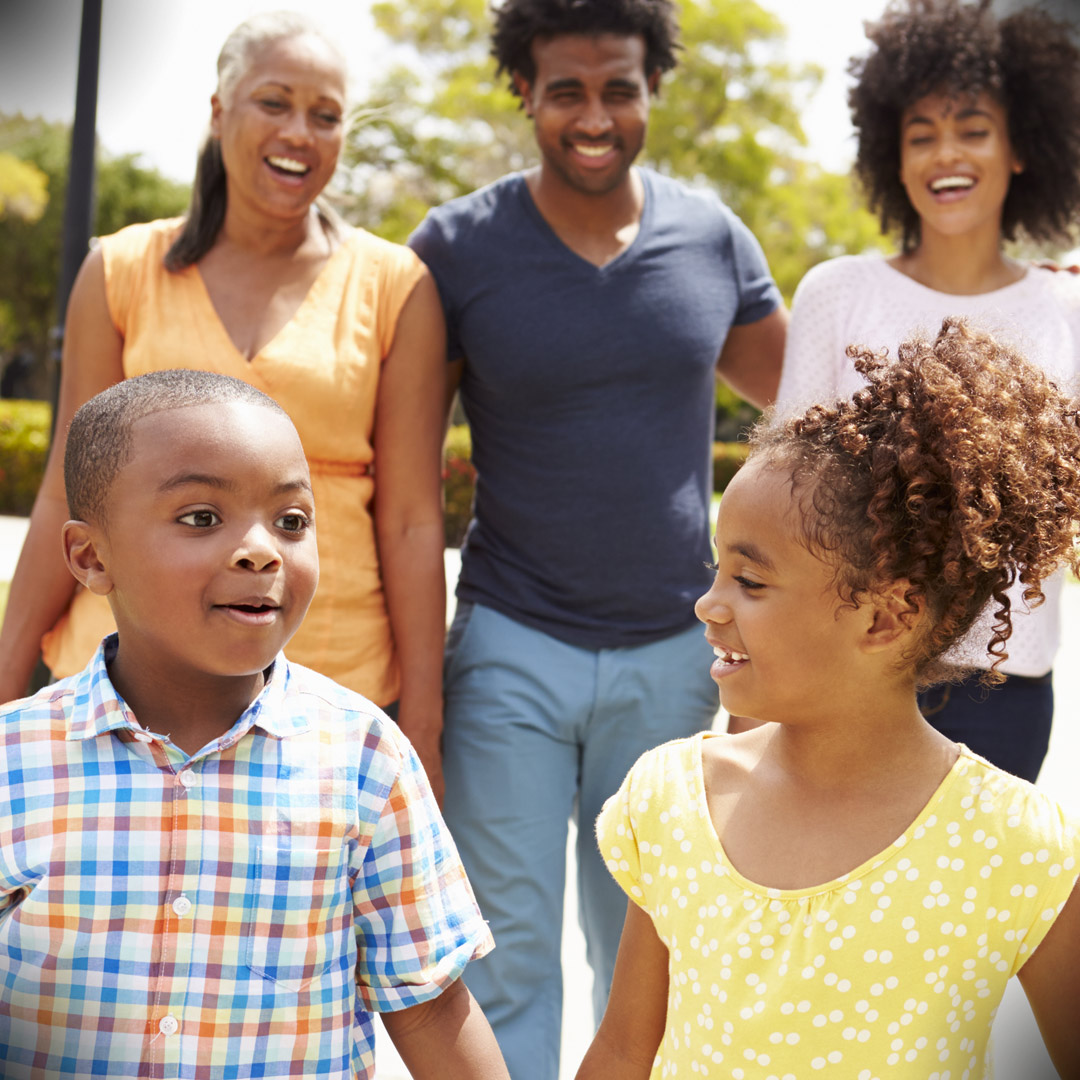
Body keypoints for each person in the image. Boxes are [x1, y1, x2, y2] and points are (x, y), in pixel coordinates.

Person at [407, 0, 787, 1073]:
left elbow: (819, 409)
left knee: (646, 952)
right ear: (524, 93)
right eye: (565, 89)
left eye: (617, 87)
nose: (593, 114)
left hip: (673, 651)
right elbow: (399, 475)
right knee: (507, 954)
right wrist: (420, 700)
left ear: (650, 90)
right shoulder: (455, 247)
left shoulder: (712, 239)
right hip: (510, 653)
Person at [579, 320, 1080, 1079]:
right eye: (717, 571)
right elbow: (622, 1050)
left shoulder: (1015, 844)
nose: (708, 605)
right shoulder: (674, 799)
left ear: (884, 617)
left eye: (749, 581)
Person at [0, 370, 508, 1080]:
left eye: (291, 521)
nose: (262, 550)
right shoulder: (13, 761)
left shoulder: (363, 758)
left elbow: (427, 1008)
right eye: (201, 518)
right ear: (91, 557)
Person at [0, 12, 448, 797]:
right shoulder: (122, 270)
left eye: (326, 114)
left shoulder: (394, 285)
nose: (300, 132)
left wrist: (425, 729)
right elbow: (66, 492)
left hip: (331, 681)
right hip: (121, 685)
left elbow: (412, 518)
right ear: (219, 111)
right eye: (274, 102)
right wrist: (6, 683)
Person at [770, 0, 1080, 781]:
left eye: (973, 128)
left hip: (1008, 689)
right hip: (849, 671)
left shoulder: (1067, 310)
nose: (948, 153)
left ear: (1018, 148)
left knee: (992, 909)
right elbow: (782, 497)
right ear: (891, 156)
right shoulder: (836, 293)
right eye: (921, 134)